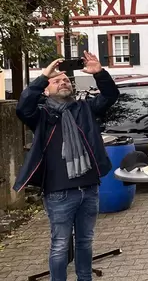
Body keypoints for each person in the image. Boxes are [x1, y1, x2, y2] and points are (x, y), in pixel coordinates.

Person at [14, 53, 119, 281]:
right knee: (60, 245)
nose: (63, 82)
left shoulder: (85, 109)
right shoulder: (41, 115)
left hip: (89, 188)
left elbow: (111, 95)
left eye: (66, 80)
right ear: (46, 90)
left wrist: (99, 73)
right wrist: (43, 76)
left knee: (85, 242)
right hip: (58, 192)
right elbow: (22, 108)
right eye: (56, 81)